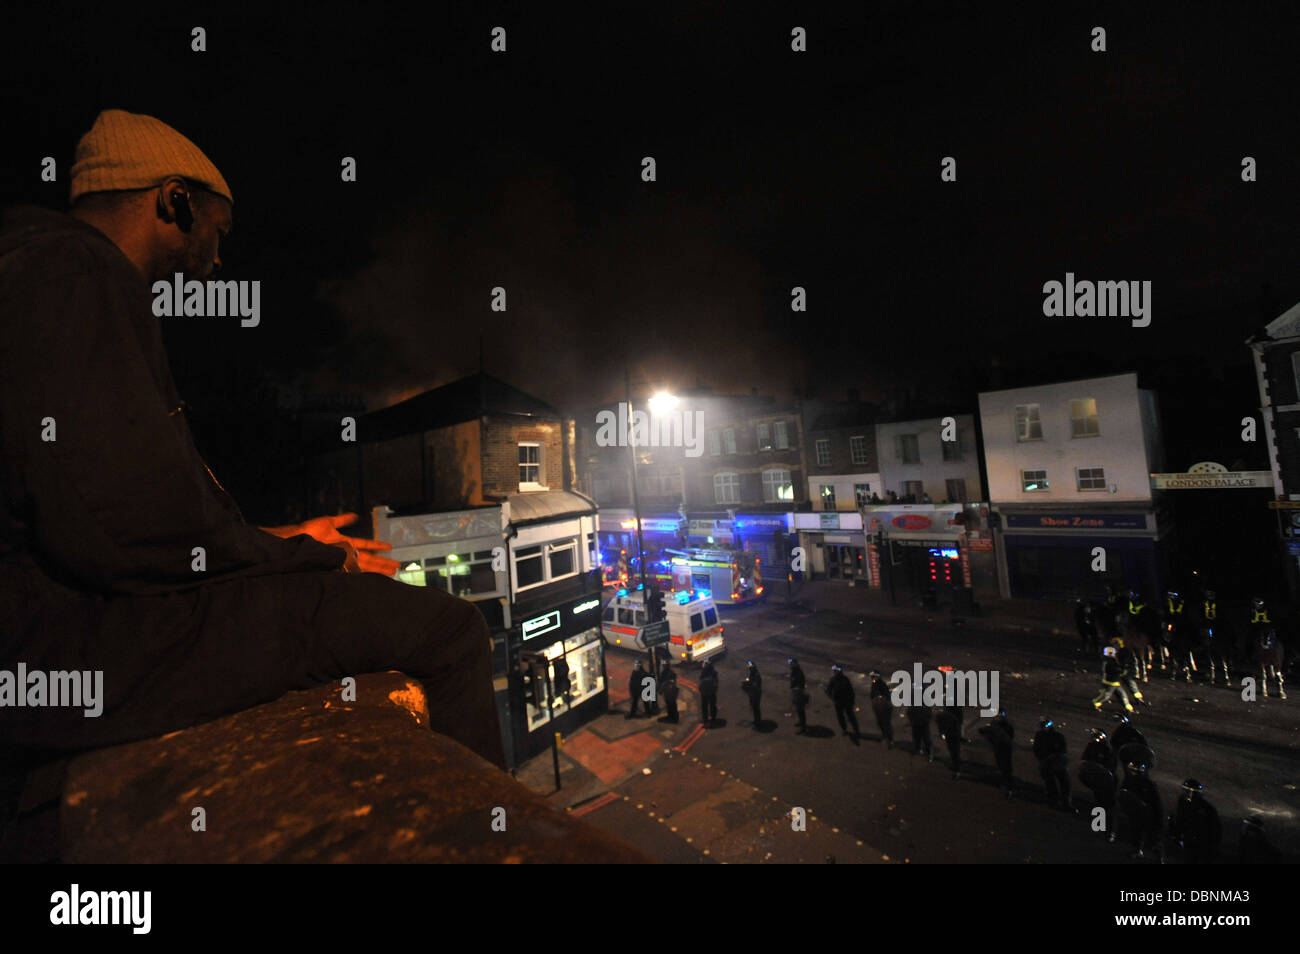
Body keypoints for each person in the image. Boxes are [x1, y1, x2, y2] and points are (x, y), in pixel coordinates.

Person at [0, 110, 507, 781]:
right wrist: (310, 558)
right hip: (66, 650)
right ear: (173, 200)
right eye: (218, 228)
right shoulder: (76, 272)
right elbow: (131, 529)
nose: (218, 257)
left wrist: (285, 532)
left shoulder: (52, 271)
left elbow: (110, 508)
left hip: (59, 630)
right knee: (447, 632)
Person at [1168, 779, 1221, 864]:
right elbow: (1180, 820)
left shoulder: (1206, 809)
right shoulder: (1183, 803)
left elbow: (1214, 828)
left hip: (1202, 842)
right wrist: (1176, 835)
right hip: (1189, 840)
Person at [1119, 760, 1163, 860]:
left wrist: (1159, 821)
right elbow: (1123, 795)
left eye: (1136, 772)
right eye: (1132, 771)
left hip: (1149, 815)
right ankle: (1137, 851)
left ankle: (1159, 857)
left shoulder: (1150, 785)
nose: (1133, 774)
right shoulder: (1128, 782)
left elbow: (1158, 805)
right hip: (1135, 813)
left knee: (1153, 839)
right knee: (1135, 834)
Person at [1080, 728, 1118, 840]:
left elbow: (1111, 767)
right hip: (1097, 779)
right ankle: (1099, 827)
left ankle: (1111, 831)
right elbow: (1085, 760)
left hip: (1108, 781)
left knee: (1109, 807)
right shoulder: (1090, 747)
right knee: (1099, 804)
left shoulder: (1108, 750)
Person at [1032, 717, 1075, 812]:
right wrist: (1042, 759)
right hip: (1046, 763)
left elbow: (1063, 750)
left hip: (1057, 763)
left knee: (1064, 784)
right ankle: (1053, 801)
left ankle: (1065, 803)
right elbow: (1036, 749)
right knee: (1050, 784)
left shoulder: (1058, 736)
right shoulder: (1039, 735)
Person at [979, 709, 1015, 798]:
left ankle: (1009, 786)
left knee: (1006, 767)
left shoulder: (1007, 727)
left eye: (1000, 716)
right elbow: (986, 732)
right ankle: (1005, 782)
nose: (998, 718)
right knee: (1000, 765)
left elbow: (1009, 737)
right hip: (998, 748)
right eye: (997, 716)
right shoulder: (994, 725)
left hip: (1005, 749)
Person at [1092, 645, 1134, 712]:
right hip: (1110, 683)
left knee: (1122, 695)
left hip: (1115, 682)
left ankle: (1128, 708)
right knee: (1106, 696)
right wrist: (1122, 670)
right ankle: (1095, 704)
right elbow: (1113, 670)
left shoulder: (1111, 660)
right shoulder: (1108, 662)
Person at [826, 664, 859, 740]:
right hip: (839, 702)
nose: (835, 672)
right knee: (841, 717)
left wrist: (852, 700)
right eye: (834, 671)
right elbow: (829, 690)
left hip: (846, 701)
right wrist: (831, 695)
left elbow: (850, 691)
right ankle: (845, 729)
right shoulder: (833, 680)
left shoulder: (844, 679)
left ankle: (856, 731)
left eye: (836, 671)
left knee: (851, 717)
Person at [936, 704, 965, 779]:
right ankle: (957, 765)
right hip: (952, 731)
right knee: (954, 749)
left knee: (954, 750)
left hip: (952, 732)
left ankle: (957, 768)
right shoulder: (951, 712)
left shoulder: (949, 713)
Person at [868, 671, 894, 748]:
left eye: (873, 677)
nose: (872, 678)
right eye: (871, 677)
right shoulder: (874, 684)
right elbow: (872, 695)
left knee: (886, 724)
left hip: (884, 708)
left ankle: (890, 740)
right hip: (878, 708)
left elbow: (887, 697)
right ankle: (885, 736)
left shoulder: (882, 685)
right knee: (881, 723)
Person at [789, 658, 808, 733]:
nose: (791, 665)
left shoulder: (798, 672)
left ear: (796, 664)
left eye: (792, 663)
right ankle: (801, 722)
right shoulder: (794, 671)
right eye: (791, 664)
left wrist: (797, 689)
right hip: (795, 692)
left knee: (800, 710)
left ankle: (803, 727)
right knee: (798, 709)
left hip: (799, 693)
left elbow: (801, 683)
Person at [698, 660, 719, 727]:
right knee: (712, 705)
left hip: (704, 692)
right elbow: (716, 682)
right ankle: (713, 718)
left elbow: (700, 680)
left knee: (704, 706)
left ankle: (705, 719)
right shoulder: (714, 672)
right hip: (712, 691)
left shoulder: (703, 672)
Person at [742, 661, 762, 728]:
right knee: (754, 708)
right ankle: (756, 720)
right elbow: (750, 681)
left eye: (750, 668)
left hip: (755, 693)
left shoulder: (756, 675)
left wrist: (747, 684)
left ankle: (758, 722)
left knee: (756, 707)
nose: (749, 669)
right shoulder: (752, 674)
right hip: (753, 693)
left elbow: (755, 685)